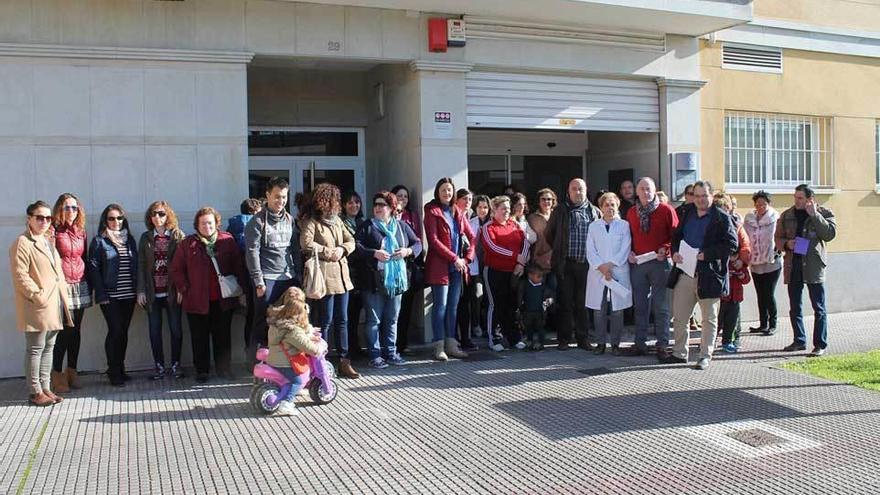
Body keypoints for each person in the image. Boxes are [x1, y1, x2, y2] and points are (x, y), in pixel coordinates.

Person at [170, 207, 246, 383]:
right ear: (197, 225)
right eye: (203, 223)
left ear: (216, 223)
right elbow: (176, 269)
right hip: (196, 300)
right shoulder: (188, 244)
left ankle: (224, 369)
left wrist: (243, 290)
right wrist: (184, 288)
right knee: (199, 337)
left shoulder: (227, 240)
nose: (207, 226)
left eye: (210, 222)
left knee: (223, 337)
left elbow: (238, 266)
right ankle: (202, 371)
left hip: (223, 300)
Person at [668, 181, 738, 370]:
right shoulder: (687, 212)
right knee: (680, 317)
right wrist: (674, 252)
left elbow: (732, 245)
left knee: (708, 318)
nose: (699, 199)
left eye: (703, 196)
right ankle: (679, 353)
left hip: (709, 274)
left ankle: (705, 356)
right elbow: (676, 237)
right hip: (685, 271)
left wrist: (708, 254)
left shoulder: (721, 217)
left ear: (711, 195)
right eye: (696, 195)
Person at [10, 201, 72, 406]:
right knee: (35, 348)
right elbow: (20, 275)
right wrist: (37, 296)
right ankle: (35, 391)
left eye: (48, 218)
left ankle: (46, 387)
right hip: (37, 304)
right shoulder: (23, 242)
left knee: (49, 347)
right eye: (39, 217)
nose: (44, 221)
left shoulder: (46, 240)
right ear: (29, 219)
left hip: (53, 304)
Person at [355, 191, 422, 369]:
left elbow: (418, 243)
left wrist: (407, 251)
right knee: (374, 320)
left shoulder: (401, 226)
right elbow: (356, 247)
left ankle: (391, 353)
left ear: (392, 208)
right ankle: (375, 355)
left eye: (382, 205)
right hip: (373, 281)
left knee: (392, 318)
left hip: (396, 281)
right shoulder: (367, 226)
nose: (377, 208)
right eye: (375, 204)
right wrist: (374, 253)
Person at [300, 183, 360, 378]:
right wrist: (327, 251)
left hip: (342, 277)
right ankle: (321, 362)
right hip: (324, 277)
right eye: (331, 200)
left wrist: (342, 250)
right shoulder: (311, 221)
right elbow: (306, 243)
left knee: (342, 320)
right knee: (324, 321)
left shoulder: (338, 221)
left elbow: (351, 241)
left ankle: (344, 360)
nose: (334, 204)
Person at [776, 184, 836, 356]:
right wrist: (786, 244)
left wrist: (814, 215)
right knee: (795, 306)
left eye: (800, 198)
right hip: (793, 264)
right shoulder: (787, 215)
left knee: (819, 307)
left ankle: (820, 344)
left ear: (811, 199)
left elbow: (829, 234)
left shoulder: (824, 213)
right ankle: (799, 340)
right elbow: (778, 237)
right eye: (795, 197)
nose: (796, 201)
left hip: (813, 265)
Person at [246, 177, 301, 361]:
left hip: (288, 277)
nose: (281, 201)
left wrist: (298, 275)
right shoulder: (257, 221)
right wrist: (258, 280)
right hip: (267, 280)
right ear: (267, 195)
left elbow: (294, 249)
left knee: (288, 322)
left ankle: (283, 363)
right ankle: (257, 364)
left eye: (284, 197)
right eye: (277, 197)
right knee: (262, 322)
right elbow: (252, 252)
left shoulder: (290, 220)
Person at [544, 178, 601, 351]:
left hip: (586, 266)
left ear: (586, 190)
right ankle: (564, 339)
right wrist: (559, 250)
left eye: (581, 189)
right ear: (568, 192)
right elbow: (549, 234)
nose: (578, 192)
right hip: (566, 264)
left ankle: (583, 338)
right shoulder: (560, 211)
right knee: (565, 303)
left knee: (583, 303)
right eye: (574, 189)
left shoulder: (594, 212)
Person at [625, 178, 678, 359]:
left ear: (655, 191)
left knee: (661, 306)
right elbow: (628, 237)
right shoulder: (632, 212)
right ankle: (640, 343)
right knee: (640, 306)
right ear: (637, 192)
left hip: (660, 263)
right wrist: (630, 251)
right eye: (642, 189)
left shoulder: (666, 210)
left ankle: (662, 344)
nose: (646, 192)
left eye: (649, 189)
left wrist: (667, 248)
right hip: (639, 264)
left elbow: (676, 235)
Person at [423, 177, 476, 361]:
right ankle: (438, 346)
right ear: (437, 191)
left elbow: (471, 236)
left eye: (450, 190)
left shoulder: (457, 211)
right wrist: (454, 258)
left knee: (453, 307)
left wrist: (467, 258)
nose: (447, 193)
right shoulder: (431, 210)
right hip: (440, 266)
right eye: (444, 189)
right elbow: (434, 240)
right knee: (441, 306)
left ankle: (452, 344)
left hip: (457, 267)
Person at [89, 204, 138, 386]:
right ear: (105, 220)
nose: (116, 222)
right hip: (110, 297)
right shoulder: (99, 241)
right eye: (111, 218)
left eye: (119, 218)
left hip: (129, 295)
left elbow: (136, 265)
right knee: (115, 331)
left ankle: (120, 368)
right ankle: (113, 370)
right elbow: (93, 269)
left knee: (123, 332)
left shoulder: (130, 240)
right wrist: (101, 294)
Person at [137, 201, 186, 380]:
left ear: (168, 215)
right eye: (154, 214)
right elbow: (141, 265)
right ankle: (158, 366)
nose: (157, 217)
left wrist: (181, 287)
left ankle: (176, 365)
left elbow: (183, 264)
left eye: (161, 214)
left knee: (176, 330)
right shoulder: (146, 237)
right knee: (154, 330)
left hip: (172, 291)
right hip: (153, 292)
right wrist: (141, 290)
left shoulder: (177, 235)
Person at [265, 287, 327, 416]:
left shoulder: (277, 322)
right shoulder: (293, 329)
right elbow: (307, 347)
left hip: (274, 359)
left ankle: (293, 391)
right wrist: (318, 349)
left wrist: (308, 334)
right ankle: (287, 403)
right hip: (285, 362)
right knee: (297, 380)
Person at [50, 193, 91, 393]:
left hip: (80, 285)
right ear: (59, 209)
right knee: (64, 332)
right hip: (62, 287)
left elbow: (86, 257)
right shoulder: (53, 231)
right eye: (67, 207)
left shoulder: (81, 231)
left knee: (76, 332)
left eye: (74, 207)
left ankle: (72, 371)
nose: (71, 211)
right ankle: (57, 374)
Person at [586, 192, 633, 355]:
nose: (609, 208)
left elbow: (625, 247)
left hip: (617, 271)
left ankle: (615, 344)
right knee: (599, 309)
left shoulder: (624, 225)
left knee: (617, 310)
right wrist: (602, 267)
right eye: (606, 205)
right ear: (601, 207)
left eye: (612, 204)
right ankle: (600, 343)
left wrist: (611, 265)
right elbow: (590, 250)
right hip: (598, 273)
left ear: (617, 206)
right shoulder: (593, 226)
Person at [481, 195, 530, 351]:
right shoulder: (488, 227)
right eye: (503, 209)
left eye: (508, 209)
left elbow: (525, 243)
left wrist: (520, 263)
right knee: (495, 305)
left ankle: (514, 338)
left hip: (513, 271)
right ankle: (493, 339)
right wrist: (515, 256)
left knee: (512, 305)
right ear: (494, 210)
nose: (506, 212)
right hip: (494, 271)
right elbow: (493, 248)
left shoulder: (515, 225)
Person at [713, 193, 752, 353]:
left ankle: (731, 339)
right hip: (717, 273)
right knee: (717, 313)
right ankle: (711, 339)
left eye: (726, 208)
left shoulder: (737, 225)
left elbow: (745, 247)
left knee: (732, 312)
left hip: (736, 277)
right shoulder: (711, 225)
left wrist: (740, 261)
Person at [743, 190, 782, 335]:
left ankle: (773, 324)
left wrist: (778, 249)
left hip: (772, 262)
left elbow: (779, 237)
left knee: (768, 293)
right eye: (758, 204)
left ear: (768, 204)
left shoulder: (775, 218)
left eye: (763, 204)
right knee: (760, 294)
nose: (761, 207)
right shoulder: (749, 219)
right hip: (755, 263)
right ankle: (763, 324)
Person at [391, 184, 421, 354]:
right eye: (399, 196)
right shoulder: (388, 215)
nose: (402, 199)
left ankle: (402, 343)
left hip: (407, 266)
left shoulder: (412, 216)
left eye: (405, 196)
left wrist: (409, 252)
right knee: (392, 309)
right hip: (390, 267)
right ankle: (389, 344)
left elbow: (417, 240)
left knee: (406, 307)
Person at [228, 198, 262, 348]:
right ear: (255, 211)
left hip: (241, 278)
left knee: (250, 316)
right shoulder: (256, 225)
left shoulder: (231, 228)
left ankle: (249, 351)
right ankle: (259, 352)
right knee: (259, 316)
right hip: (257, 277)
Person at [341, 191, 366, 358]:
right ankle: (347, 348)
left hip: (361, 274)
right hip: (346, 272)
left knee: (356, 311)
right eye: (350, 202)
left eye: (357, 202)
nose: (354, 205)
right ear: (343, 205)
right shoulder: (340, 223)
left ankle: (356, 345)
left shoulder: (363, 223)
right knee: (347, 313)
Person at [454, 189, 479, 351]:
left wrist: (468, 258)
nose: (468, 201)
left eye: (470, 199)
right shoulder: (453, 216)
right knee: (454, 305)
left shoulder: (468, 217)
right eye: (464, 198)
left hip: (468, 267)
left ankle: (466, 338)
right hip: (455, 265)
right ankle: (454, 339)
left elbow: (472, 241)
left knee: (466, 304)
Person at [518, 263, 555, 351]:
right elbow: (520, 296)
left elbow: (551, 296)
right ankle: (529, 340)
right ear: (530, 275)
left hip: (540, 312)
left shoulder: (543, 287)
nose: (540, 278)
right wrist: (520, 307)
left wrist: (549, 301)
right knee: (528, 328)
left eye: (541, 276)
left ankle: (540, 342)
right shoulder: (525, 285)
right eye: (538, 276)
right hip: (528, 311)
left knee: (540, 328)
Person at [528, 188, 556, 274]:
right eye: (543, 199)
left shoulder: (557, 216)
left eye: (549, 199)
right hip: (538, 262)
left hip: (555, 261)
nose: (546, 201)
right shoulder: (532, 218)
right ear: (538, 201)